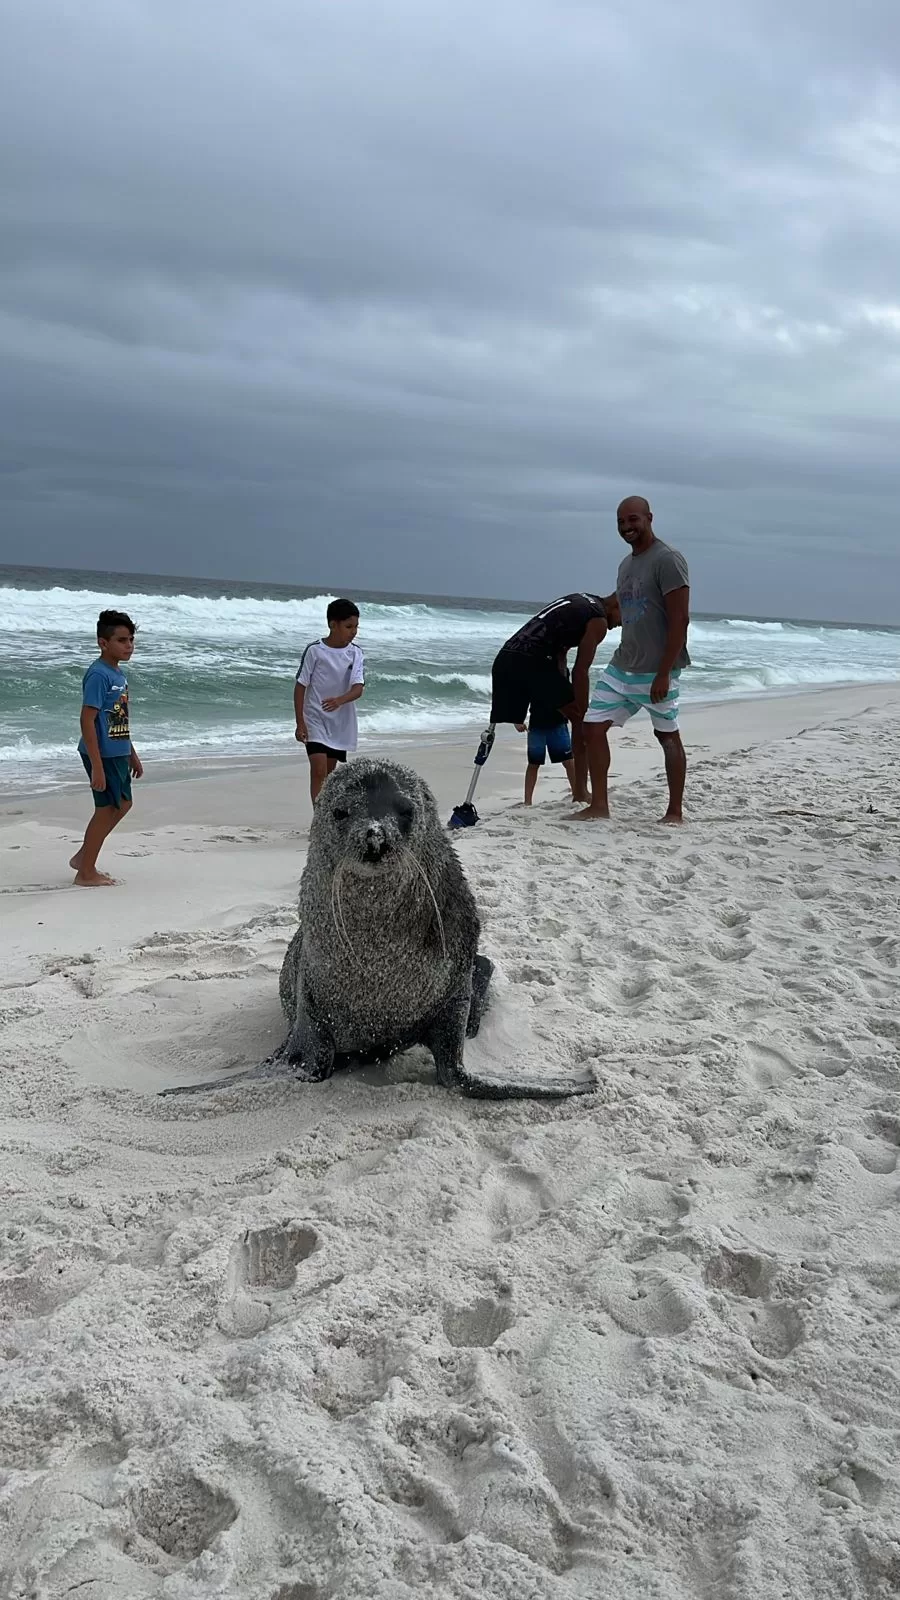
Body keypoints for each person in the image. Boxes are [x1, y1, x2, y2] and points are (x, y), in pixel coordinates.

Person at [574, 495, 690, 824]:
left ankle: (674, 812)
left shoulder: (668, 560)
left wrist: (664, 673)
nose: (627, 527)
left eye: (633, 520)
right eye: (621, 522)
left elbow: (680, 619)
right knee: (592, 728)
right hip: (622, 665)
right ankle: (599, 805)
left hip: (656, 670)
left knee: (667, 736)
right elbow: (624, 607)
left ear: (649, 518)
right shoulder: (625, 565)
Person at [491, 592, 621, 802]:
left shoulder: (581, 598)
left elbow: (558, 642)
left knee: (573, 715)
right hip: (534, 661)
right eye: (626, 617)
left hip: (507, 656)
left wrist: (561, 683)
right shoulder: (599, 621)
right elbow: (580, 671)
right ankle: (580, 792)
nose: (622, 624)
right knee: (582, 721)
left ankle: (579, 791)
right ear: (618, 604)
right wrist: (583, 710)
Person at [70, 609, 143, 887]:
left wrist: (132, 753)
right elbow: (87, 719)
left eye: (131, 640)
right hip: (101, 753)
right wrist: (97, 767)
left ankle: (83, 856)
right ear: (103, 643)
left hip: (118, 751)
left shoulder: (117, 674)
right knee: (107, 808)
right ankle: (86, 872)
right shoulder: (98, 675)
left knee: (123, 803)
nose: (129, 646)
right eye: (122, 640)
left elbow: (117, 717)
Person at [294, 599, 365, 803]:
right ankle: (318, 820)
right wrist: (300, 722)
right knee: (318, 770)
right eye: (349, 626)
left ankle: (327, 818)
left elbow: (358, 688)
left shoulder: (355, 653)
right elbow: (300, 686)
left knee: (330, 777)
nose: (354, 631)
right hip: (314, 718)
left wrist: (339, 701)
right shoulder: (315, 650)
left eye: (356, 627)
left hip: (339, 722)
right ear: (333, 625)